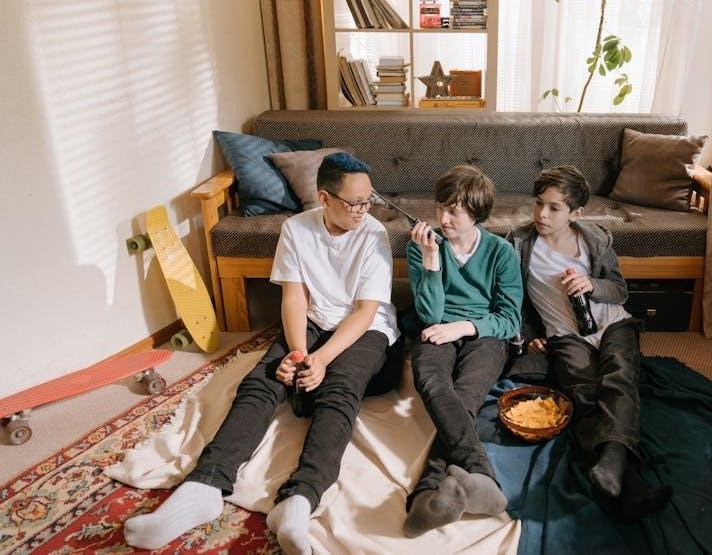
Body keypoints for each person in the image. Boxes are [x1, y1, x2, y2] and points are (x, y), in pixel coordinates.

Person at [123, 153, 400, 554]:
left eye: (367, 200)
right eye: (354, 202)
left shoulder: (373, 234)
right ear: (325, 198)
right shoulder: (296, 229)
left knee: (339, 390)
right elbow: (294, 298)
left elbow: (364, 312)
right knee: (262, 381)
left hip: (365, 328)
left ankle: (300, 498)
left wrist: (322, 361)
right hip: (312, 319)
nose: (363, 210)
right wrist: (299, 354)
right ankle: (204, 486)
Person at [506, 164, 672, 521]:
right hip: (564, 333)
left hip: (612, 322)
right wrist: (529, 336)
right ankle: (627, 480)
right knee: (582, 390)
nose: (541, 214)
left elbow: (620, 290)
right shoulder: (519, 243)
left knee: (619, 375)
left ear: (576, 213)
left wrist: (591, 284)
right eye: (538, 203)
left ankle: (611, 460)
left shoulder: (594, 240)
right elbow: (511, 298)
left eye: (554, 208)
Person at [402, 164, 523, 537]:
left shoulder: (501, 252)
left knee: (465, 397)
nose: (443, 218)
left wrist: (466, 326)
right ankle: (482, 475)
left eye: (453, 211)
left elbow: (510, 319)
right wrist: (431, 261)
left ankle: (426, 495)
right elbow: (429, 314)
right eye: (440, 208)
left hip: (483, 334)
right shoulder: (421, 246)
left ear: (476, 213)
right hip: (436, 328)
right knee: (433, 384)